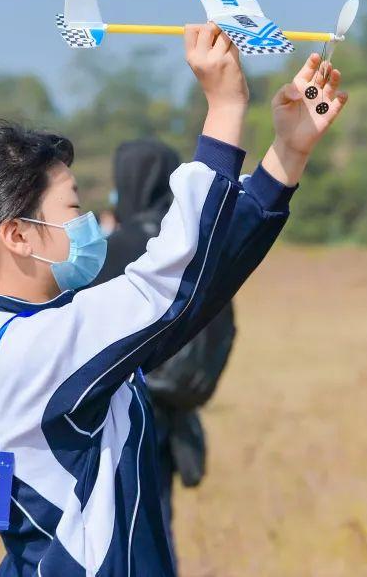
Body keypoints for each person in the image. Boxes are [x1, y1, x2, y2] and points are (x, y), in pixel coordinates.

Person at [0, 24, 348, 576]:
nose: (88, 223)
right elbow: (170, 285)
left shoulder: (26, 334)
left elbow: (198, 286)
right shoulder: (39, 347)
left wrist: (287, 154)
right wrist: (225, 107)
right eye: (72, 207)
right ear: (17, 235)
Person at [90, 139, 238, 567]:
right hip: (175, 406)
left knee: (117, 524)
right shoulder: (188, 241)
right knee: (159, 517)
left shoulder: (114, 248)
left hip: (121, 407)